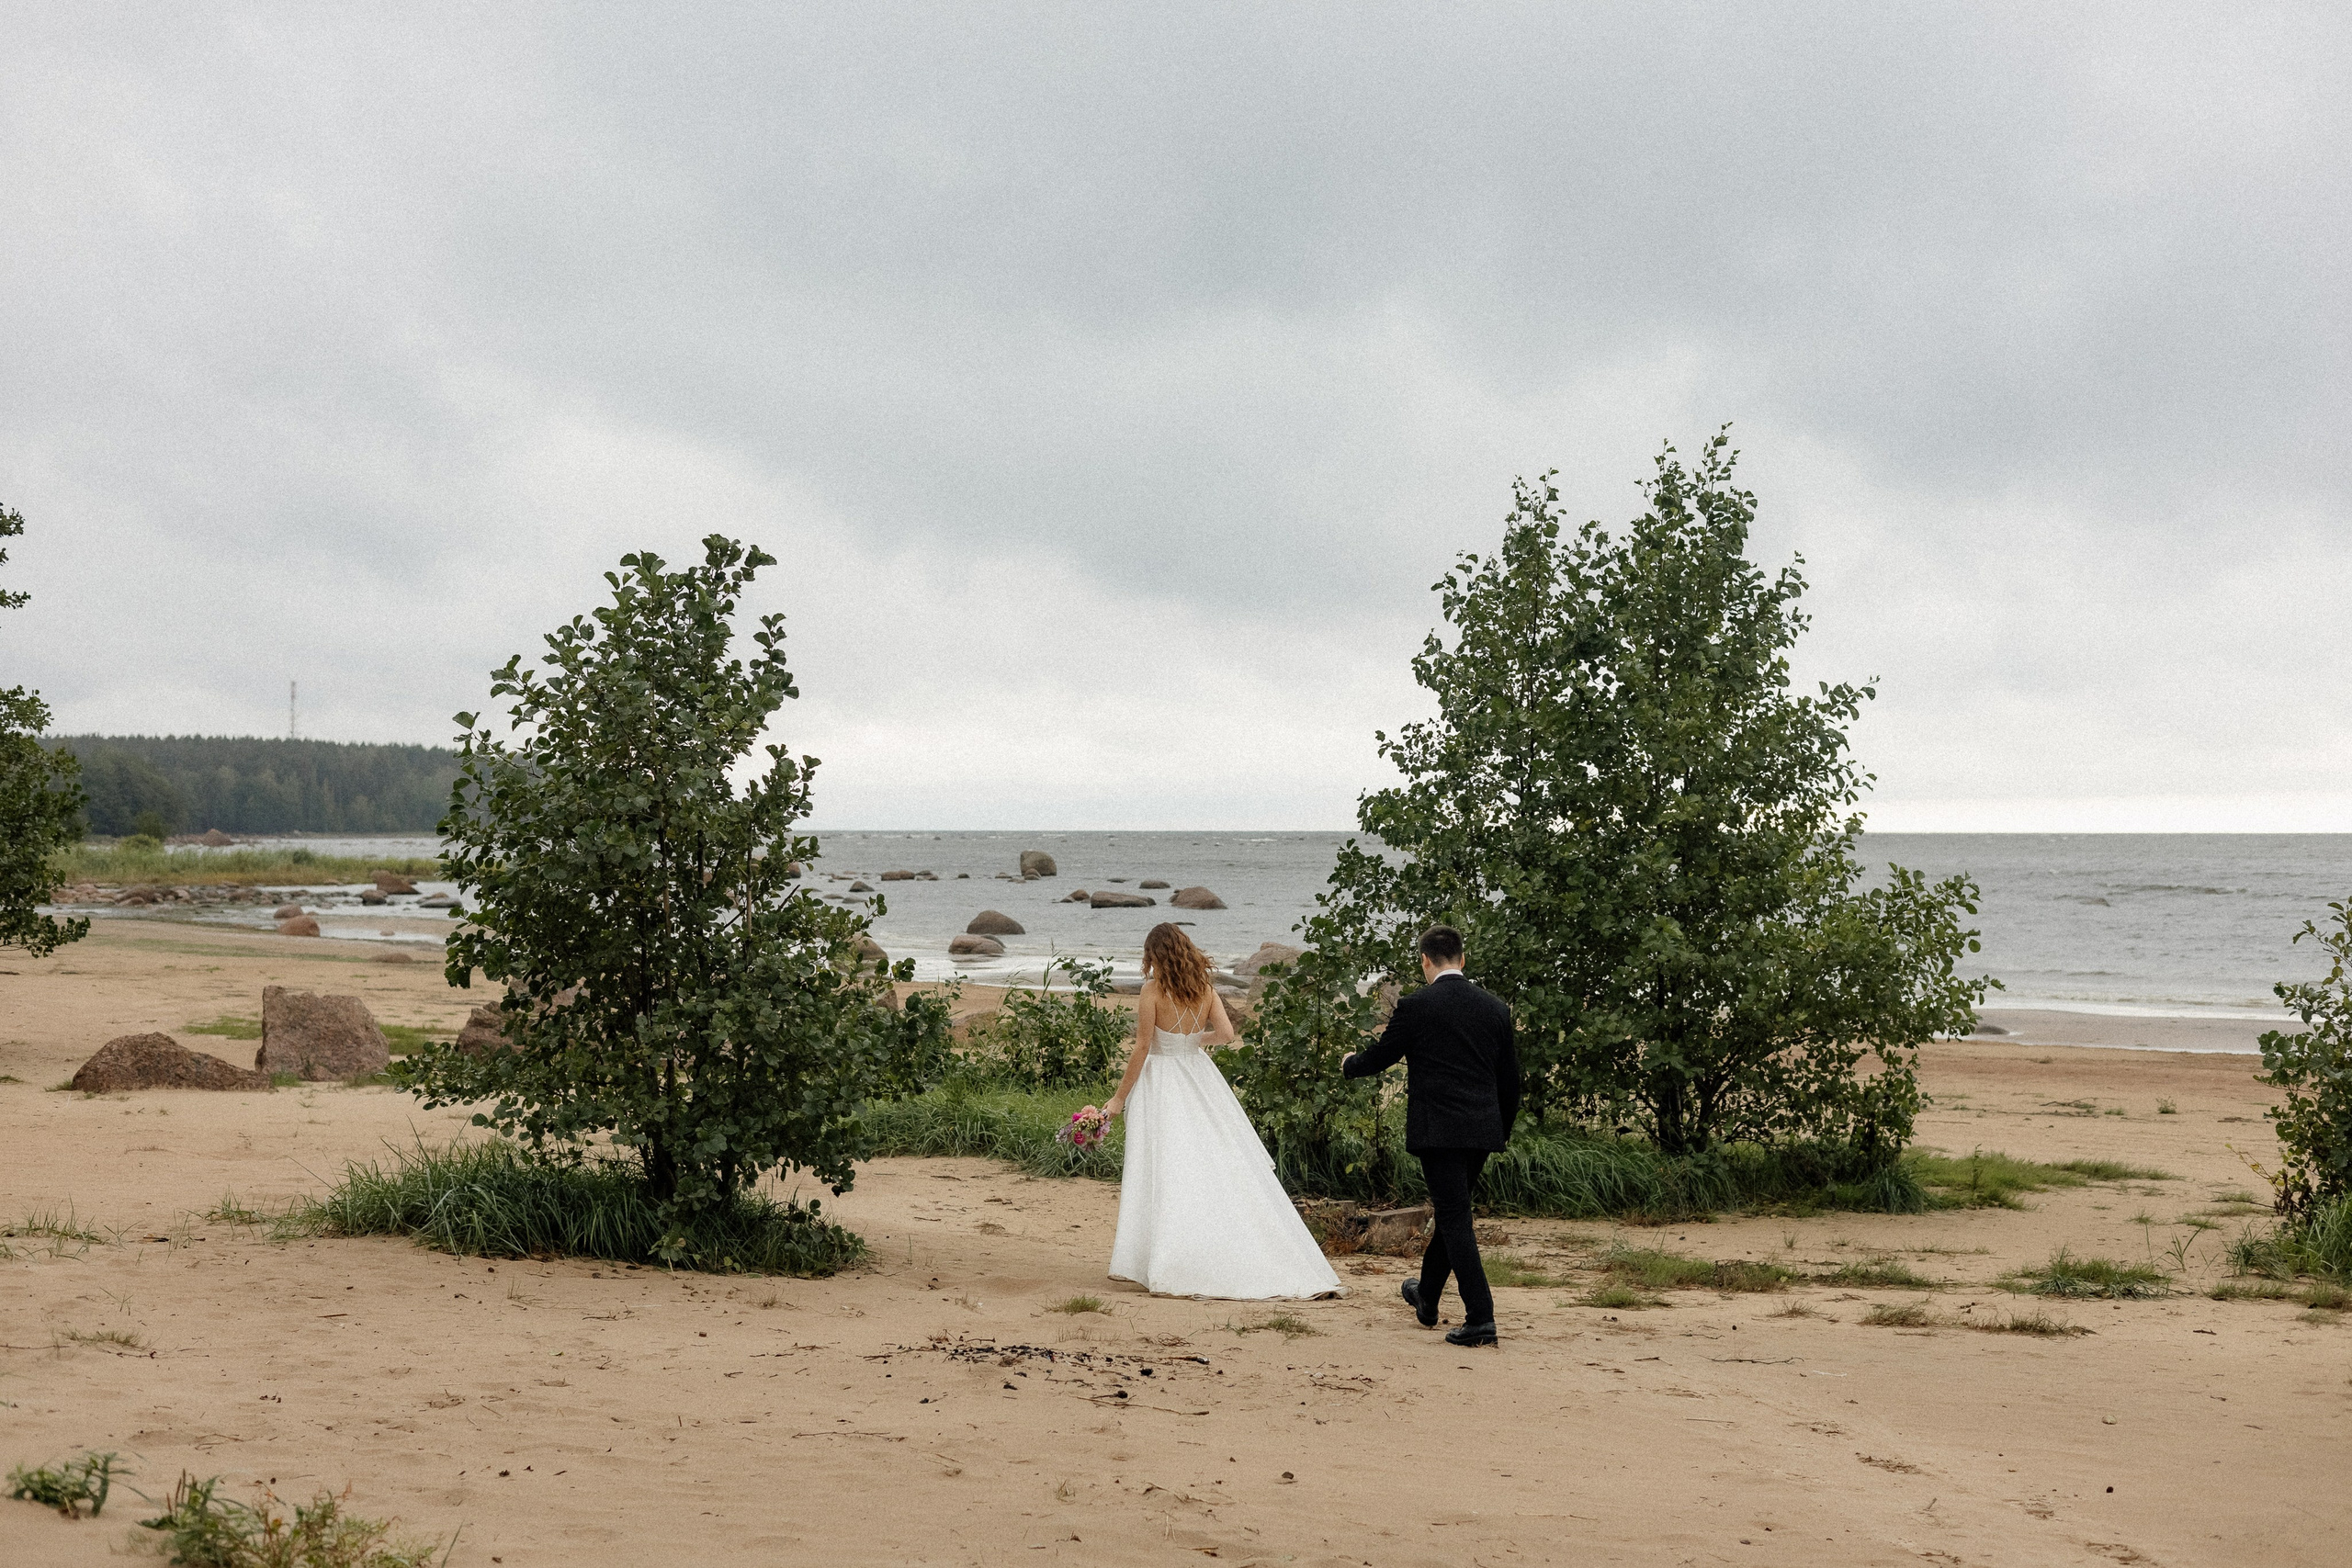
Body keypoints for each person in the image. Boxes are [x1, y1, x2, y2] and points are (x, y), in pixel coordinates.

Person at [1104, 922, 1342, 1299]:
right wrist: (1192, 1042)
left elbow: (1143, 1046)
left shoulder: (1152, 991)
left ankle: (1160, 1259)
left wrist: (1118, 1098)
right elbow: (1228, 1035)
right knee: (1212, 1159)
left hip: (1163, 1081)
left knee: (1163, 1164)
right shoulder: (1206, 989)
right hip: (1198, 1076)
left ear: (1155, 955)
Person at [1340, 925, 1519, 1347]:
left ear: (1425, 960)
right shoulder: (1494, 1008)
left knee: (1455, 1216)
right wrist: (1500, 1131)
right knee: (1451, 1212)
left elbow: (1383, 1056)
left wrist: (1350, 1063)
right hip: (1481, 1129)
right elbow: (1510, 1082)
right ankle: (1428, 1297)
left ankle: (1481, 1317)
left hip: (1438, 1130)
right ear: (1462, 958)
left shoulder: (1417, 1004)